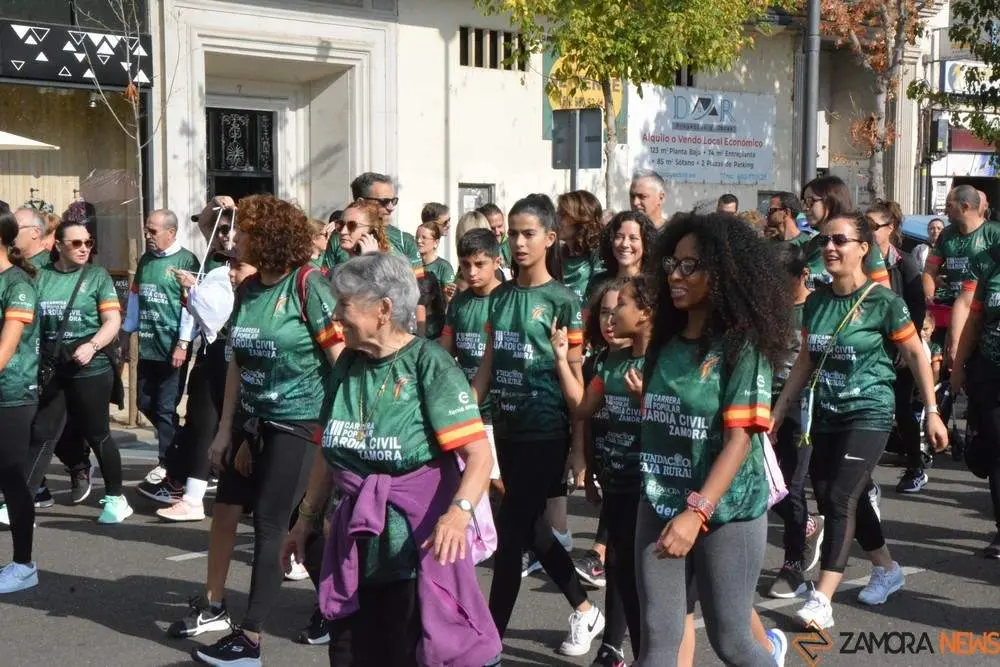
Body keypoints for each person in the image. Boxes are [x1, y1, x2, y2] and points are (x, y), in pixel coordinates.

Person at [281, 252, 501, 667]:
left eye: (345, 304)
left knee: (403, 651)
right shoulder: (348, 362)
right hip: (353, 545)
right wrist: (305, 519)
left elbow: (478, 455)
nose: (335, 315)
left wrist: (458, 514)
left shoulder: (429, 364)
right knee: (347, 654)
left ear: (383, 309)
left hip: (413, 550)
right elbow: (328, 452)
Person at [187, 195, 344, 667]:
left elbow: (340, 363)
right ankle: (343, 605)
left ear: (270, 236)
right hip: (251, 425)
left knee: (272, 525)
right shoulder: (250, 287)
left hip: (299, 425)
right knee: (301, 528)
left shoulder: (310, 285)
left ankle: (250, 639)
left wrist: (339, 428)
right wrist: (225, 431)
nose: (233, 237)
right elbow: (237, 359)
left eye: (244, 229)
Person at [772, 213, 948, 629]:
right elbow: (805, 361)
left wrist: (933, 412)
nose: (830, 248)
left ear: (862, 248)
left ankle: (822, 597)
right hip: (824, 414)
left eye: (840, 240)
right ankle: (886, 568)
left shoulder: (883, 302)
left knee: (838, 499)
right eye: (825, 242)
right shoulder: (816, 302)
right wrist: (780, 409)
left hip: (869, 410)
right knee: (836, 492)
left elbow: (916, 356)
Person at [634, 213, 789, 667]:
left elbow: (739, 440)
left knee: (733, 641)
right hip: (659, 500)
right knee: (658, 643)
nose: (676, 276)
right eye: (672, 265)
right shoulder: (662, 343)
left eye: (691, 266)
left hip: (727, 509)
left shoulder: (742, 348)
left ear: (722, 275)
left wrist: (696, 512)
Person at [472, 194, 604, 657]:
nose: (519, 242)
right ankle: (586, 611)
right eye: (512, 233)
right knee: (533, 530)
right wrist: (468, 414)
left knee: (510, 535)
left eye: (528, 233)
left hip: (546, 431)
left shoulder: (564, 301)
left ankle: (489, 640)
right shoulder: (501, 296)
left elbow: (577, 378)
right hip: (506, 429)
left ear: (550, 238)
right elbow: (488, 363)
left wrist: (578, 450)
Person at [166, 251, 259, 640]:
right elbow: (234, 366)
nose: (229, 273)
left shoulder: (297, 294)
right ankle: (216, 607)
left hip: (286, 427)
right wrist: (225, 432)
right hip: (243, 423)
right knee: (223, 516)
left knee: (282, 529)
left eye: (238, 264)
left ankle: (255, 631)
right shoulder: (242, 302)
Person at [21, 219, 127, 524]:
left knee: (97, 433)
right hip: (55, 366)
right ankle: (22, 502)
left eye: (88, 243)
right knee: (41, 434)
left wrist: (93, 345)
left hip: (90, 366)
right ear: (59, 245)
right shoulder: (40, 277)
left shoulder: (97, 276)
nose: (84, 249)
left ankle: (116, 499)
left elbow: (112, 321)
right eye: (76, 243)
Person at [140, 197, 239, 519]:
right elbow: (205, 223)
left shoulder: (243, 263)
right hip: (211, 349)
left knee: (232, 425)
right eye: (220, 230)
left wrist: (197, 290)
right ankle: (191, 493)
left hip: (235, 349)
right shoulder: (214, 256)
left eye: (228, 230)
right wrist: (214, 203)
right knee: (201, 420)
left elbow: (228, 309)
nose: (222, 234)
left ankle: (223, 488)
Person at [574, 275, 654, 667]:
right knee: (620, 569)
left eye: (620, 305)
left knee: (644, 577)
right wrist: (562, 361)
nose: (611, 315)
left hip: (651, 488)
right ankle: (619, 650)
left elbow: (678, 426)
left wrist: (647, 401)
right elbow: (583, 410)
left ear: (645, 314)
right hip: (616, 481)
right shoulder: (609, 360)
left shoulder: (663, 360)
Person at [122, 209, 200, 485]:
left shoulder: (186, 260)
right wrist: (126, 331)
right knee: (145, 401)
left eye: (153, 231)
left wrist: (183, 343)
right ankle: (184, 447)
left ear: (171, 232)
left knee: (166, 407)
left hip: (172, 347)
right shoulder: (145, 261)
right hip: (147, 345)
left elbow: (192, 306)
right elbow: (135, 296)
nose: (148, 236)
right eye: (147, 230)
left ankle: (167, 462)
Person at [766, 243, 825, 600]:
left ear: (802, 275)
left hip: (804, 405)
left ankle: (793, 566)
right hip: (764, 402)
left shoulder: (817, 308)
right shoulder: (765, 309)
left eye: (779, 281)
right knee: (767, 486)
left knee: (792, 483)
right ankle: (805, 525)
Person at [868, 200, 929, 493]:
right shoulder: (860, 259)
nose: (867, 233)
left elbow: (917, 305)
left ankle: (916, 465)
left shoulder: (905, 262)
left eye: (873, 227)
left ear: (889, 229)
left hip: (902, 344)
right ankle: (863, 477)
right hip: (870, 346)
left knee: (902, 408)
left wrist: (908, 344)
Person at [438, 228, 504, 493]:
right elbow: (445, 351)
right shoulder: (459, 303)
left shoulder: (507, 298)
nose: (472, 272)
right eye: (466, 265)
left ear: (497, 262)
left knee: (497, 482)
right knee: (471, 482)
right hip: (466, 407)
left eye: (480, 264)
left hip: (497, 410)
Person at [950, 240, 1000, 557]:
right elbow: (973, 317)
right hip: (991, 371)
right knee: (998, 449)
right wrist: (957, 369)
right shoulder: (989, 260)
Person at [0, 211, 40, 594]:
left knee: (12, 478)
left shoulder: (18, 285)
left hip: (12, 394)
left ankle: (24, 564)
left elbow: (6, 349)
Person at [800, 176, 890, 290]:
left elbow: (883, 295)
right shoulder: (811, 244)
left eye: (810, 201)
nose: (804, 208)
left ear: (831, 201)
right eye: (803, 202)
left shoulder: (861, 242)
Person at [350, 172, 424, 279]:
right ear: (361, 203)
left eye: (393, 201)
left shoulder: (405, 239)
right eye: (384, 202)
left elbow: (419, 284)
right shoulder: (341, 239)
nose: (391, 208)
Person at [557, 191, 605, 303]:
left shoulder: (598, 253)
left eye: (563, 214)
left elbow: (599, 294)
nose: (557, 219)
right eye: (557, 212)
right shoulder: (558, 255)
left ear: (581, 219)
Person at [416, 220, 456, 338]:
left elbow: (450, 301)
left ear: (436, 242)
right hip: (416, 327)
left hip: (436, 329)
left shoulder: (443, 267)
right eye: (417, 237)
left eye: (424, 238)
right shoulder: (413, 265)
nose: (419, 241)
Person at [478, 202, 512, 269]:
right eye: (492, 228)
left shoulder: (512, 245)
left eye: (500, 226)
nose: (497, 232)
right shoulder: (478, 250)